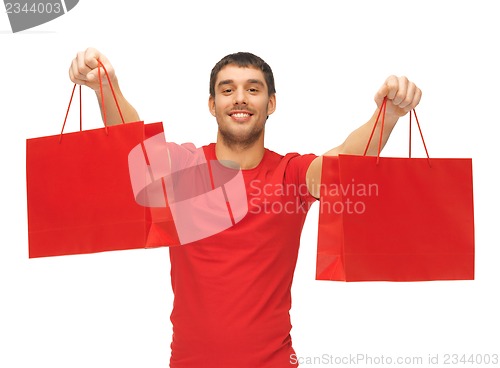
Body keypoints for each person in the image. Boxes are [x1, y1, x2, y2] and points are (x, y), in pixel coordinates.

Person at [69, 48, 421, 368]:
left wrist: (386, 116)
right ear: (212, 104)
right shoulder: (186, 168)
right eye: (227, 89)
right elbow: (135, 146)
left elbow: (341, 165)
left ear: (271, 104)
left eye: (253, 89)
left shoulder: (291, 175)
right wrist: (106, 88)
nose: (240, 98)